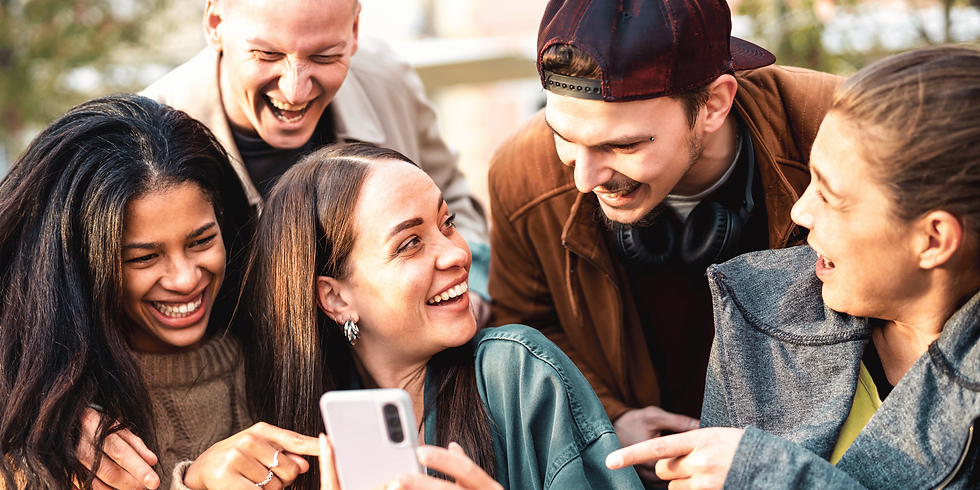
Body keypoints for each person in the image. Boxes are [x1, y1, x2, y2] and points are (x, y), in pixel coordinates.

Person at [486, 0, 842, 480]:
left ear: (714, 103)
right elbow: (530, 326)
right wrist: (606, 419)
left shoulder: (841, 131)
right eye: (564, 136)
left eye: (623, 145)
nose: (584, 179)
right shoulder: (520, 173)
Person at [605, 45, 980, 489]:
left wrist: (774, 477)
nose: (800, 213)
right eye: (809, 182)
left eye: (829, 196)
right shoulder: (755, 309)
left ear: (933, 240)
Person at [240, 142, 644, 490]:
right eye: (410, 243)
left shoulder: (518, 375)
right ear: (335, 298)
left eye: (447, 223)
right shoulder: (295, 443)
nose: (458, 253)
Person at [0, 93, 319, 490]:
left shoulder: (289, 348)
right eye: (144, 257)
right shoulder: (47, 430)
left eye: (201, 241)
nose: (185, 279)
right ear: (81, 267)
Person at [140, 0, 492, 319]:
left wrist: (470, 288)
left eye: (325, 56)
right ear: (215, 22)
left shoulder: (388, 77)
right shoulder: (139, 139)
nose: (295, 90)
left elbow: (452, 196)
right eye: (266, 54)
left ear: (354, 30)